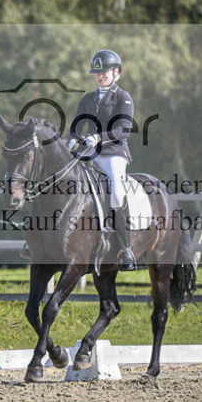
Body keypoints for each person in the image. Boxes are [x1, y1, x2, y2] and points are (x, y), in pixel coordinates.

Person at [68, 49, 137, 271]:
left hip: (114, 153)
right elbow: (77, 125)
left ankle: (126, 248)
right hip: (89, 153)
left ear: (116, 72)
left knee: (116, 192)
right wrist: (72, 140)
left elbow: (123, 129)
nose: (100, 76)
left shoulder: (122, 97)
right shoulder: (87, 99)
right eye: (97, 73)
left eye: (105, 72)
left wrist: (98, 137)